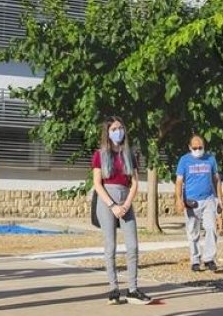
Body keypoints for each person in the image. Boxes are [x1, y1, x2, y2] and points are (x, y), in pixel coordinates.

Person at [91, 116, 151, 306]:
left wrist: (126, 204)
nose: (118, 131)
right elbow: (97, 184)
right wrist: (112, 205)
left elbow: (135, 183)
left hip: (126, 199)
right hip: (107, 199)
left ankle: (132, 289)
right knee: (111, 246)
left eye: (121, 128)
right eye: (114, 128)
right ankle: (113, 288)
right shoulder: (100, 154)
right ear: (107, 132)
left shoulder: (129, 154)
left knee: (132, 246)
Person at [175, 134, 222, 272]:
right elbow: (178, 182)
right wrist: (178, 199)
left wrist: (219, 199)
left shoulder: (210, 159)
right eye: (194, 147)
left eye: (200, 147)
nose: (198, 149)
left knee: (211, 228)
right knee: (193, 231)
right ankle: (195, 259)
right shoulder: (184, 161)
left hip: (208, 199)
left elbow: (216, 180)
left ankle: (209, 259)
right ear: (190, 147)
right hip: (191, 201)